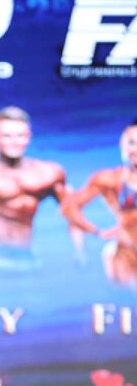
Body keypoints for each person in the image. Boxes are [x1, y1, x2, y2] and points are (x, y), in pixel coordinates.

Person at [0, 106, 81, 271]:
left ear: (29, 137)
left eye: (20, 136)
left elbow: (73, 214)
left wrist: (79, 252)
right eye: (6, 136)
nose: (14, 142)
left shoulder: (48, 173)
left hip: (28, 259)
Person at [61, 121, 137, 287]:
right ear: (122, 145)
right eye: (132, 142)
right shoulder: (109, 179)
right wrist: (97, 232)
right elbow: (69, 207)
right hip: (126, 254)